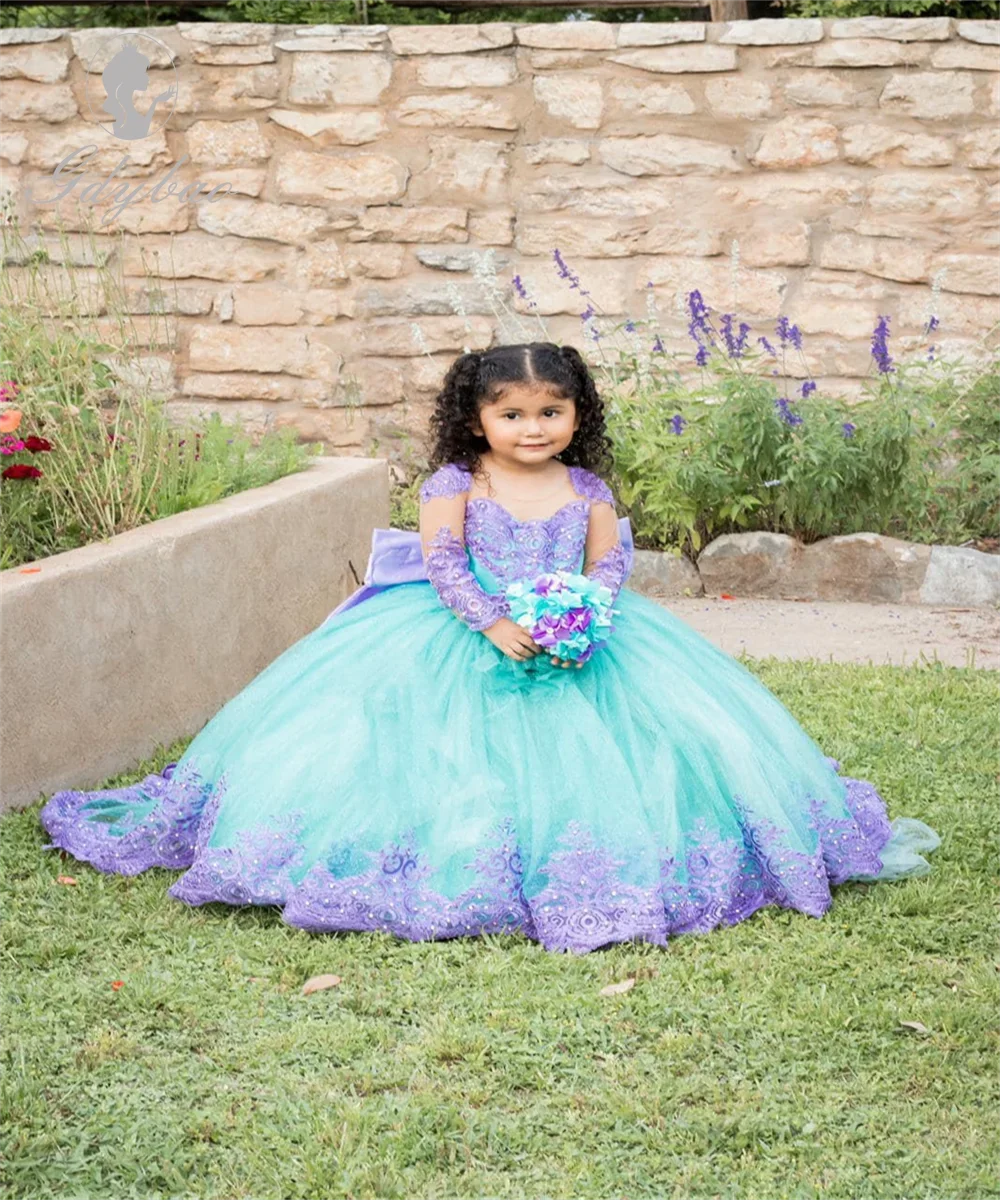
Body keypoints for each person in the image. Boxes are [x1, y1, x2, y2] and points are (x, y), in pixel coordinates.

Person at [39, 342, 940, 955]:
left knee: (648, 759)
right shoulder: (453, 481)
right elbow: (438, 561)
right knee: (427, 758)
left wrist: (586, 611)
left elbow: (611, 556)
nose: (535, 428)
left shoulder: (585, 484)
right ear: (478, 420)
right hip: (461, 631)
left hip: (586, 633)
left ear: (576, 416)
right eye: (515, 414)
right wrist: (495, 622)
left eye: (553, 411)